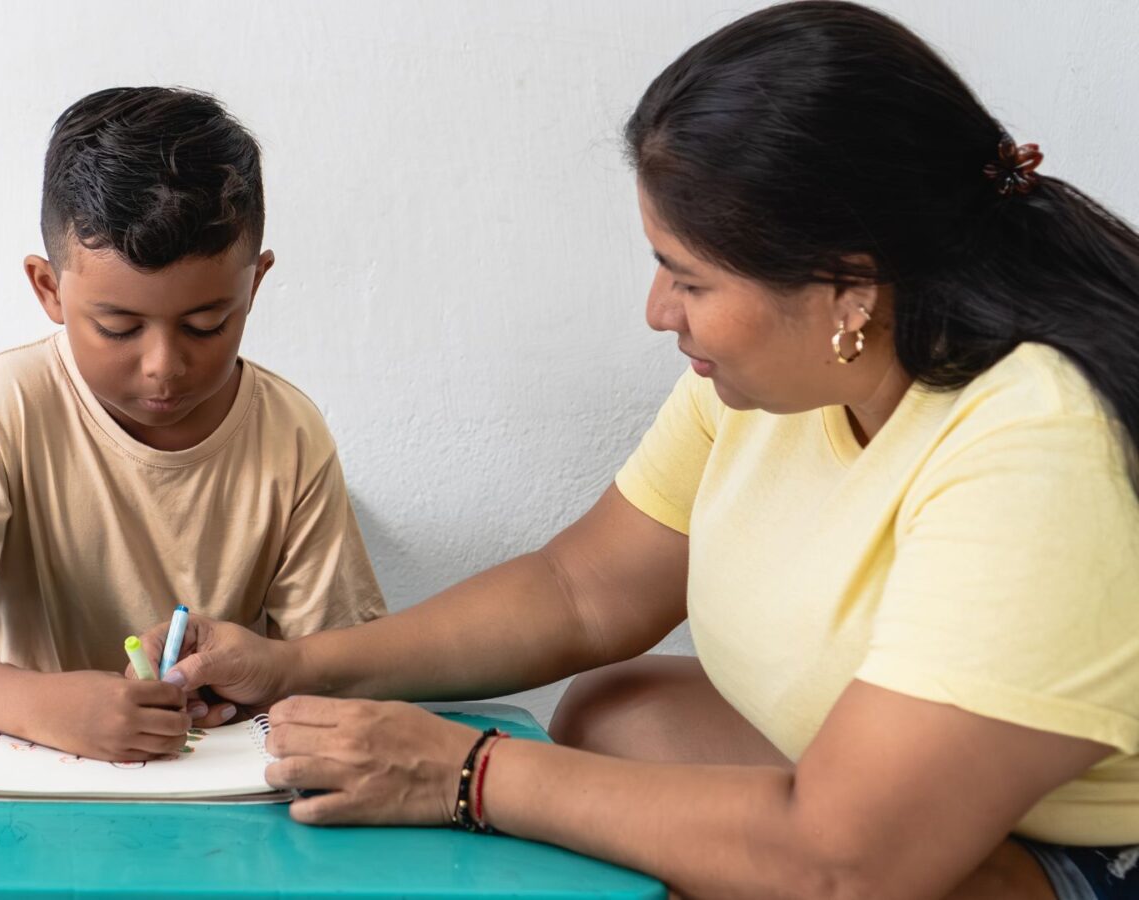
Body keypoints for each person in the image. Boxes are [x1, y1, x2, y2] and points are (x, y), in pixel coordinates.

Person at [147, 4, 1139, 897]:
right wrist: (297, 664)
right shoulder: (771, 381)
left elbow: (851, 864)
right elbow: (582, 591)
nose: (658, 310)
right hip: (894, 805)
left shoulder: (1036, 445)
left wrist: (464, 775)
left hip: (1079, 855)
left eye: (689, 279)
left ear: (849, 287)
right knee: (619, 714)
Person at [0, 87, 385, 763]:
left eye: (207, 324)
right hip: (26, 782)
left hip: (212, 783)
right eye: (118, 327)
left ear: (255, 285)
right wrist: (44, 707)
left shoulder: (290, 434)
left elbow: (342, 665)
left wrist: (244, 686)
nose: (163, 366)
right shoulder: (6, 407)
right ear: (49, 289)